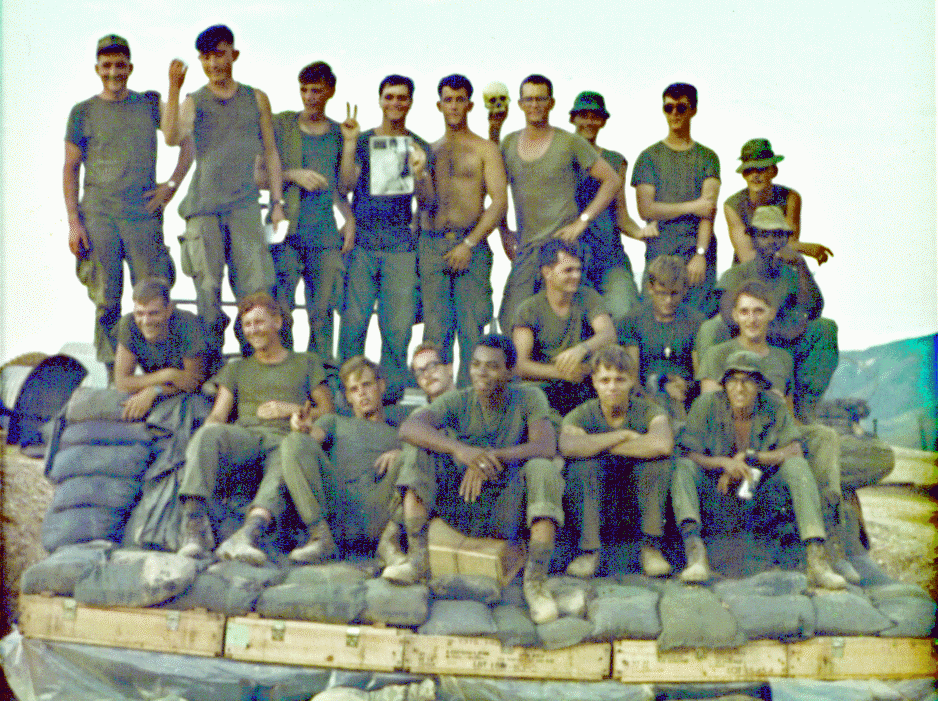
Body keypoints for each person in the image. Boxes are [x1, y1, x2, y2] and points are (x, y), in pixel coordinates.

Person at [383, 335, 565, 625]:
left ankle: (536, 583)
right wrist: (462, 451)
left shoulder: (529, 398)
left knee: (543, 469)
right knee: (417, 451)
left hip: (507, 511)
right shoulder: (459, 400)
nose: (481, 372)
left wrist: (490, 457)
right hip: (462, 504)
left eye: (492, 366)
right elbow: (409, 427)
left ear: (510, 372)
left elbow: (545, 445)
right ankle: (417, 559)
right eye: (476, 364)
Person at [697, 279, 859, 582]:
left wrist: (783, 427)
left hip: (771, 439)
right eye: (745, 311)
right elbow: (709, 410)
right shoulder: (718, 354)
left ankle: (830, 544)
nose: (752, 319)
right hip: (734, 438)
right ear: (735, 315)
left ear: (771, 313)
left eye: (759, 311)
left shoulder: (782, 358)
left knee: (824, 437)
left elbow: (789, 415)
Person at [64, 34, 193, 377]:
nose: (113, 72)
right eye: (106, 65)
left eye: (120, 65)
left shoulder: (148, 103)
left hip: (142, 216)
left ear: (130, 68)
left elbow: (182, 141)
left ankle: (162, 372)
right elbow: (70, 167)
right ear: (97, 68)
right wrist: (74, 223)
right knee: (106, 298)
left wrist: (171, 186)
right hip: (98, 216)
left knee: (153, 296)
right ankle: (114, 375)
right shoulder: (82, 112)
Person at [176, 292, 333, 564]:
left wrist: (289, 408)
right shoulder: (237, 368)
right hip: (246, 436)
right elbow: (218, 414)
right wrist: (205, 439)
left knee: (285, 457)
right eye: (247, 324)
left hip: (285, 437)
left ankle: (249, 534)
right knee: (207, 434)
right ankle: (195, 529)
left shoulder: (305, 362)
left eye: (259, 322)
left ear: (277, 322)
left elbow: (328, 412)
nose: (253, 330)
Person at [672, 351, 846, 589]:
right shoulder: (707, 405)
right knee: (683, 468)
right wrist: (724, 463)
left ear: (760, 385)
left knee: (796, 466)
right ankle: (695, 555)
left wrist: (751, 457)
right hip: (715, 492)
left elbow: (794, 449)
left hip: (760, 493)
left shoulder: (773, 406)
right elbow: (687, 452)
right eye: (733, 380)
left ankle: (816, 558)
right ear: (724, 384)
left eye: (748, 381)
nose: (739, 388)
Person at [163, 24, 283, 356]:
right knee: (208, 294)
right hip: (204, 209)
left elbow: (271, 152)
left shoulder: (256, 98)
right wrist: (174, 88)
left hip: (245, 207)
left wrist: (277, 202)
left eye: (219, 54)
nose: (214, 63)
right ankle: (211, 367)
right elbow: (171, 138)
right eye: (206, 57)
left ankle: (256, 364)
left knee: (257, 292)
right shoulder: (194, 100)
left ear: (234, 55)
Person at [497, 74, 621, 332]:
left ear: (551, 103)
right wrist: (504, 231)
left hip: (564, 247)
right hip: (527, 248)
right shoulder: (509, 143)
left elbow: (611, 180)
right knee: (511, 319)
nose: (534, 105)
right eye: (528, 99)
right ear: (520, 104)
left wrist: (582, 221)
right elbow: (495, 187)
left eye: (540, 99)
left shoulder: (569, 142)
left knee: (568, 322)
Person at [337, 75, 434, 403]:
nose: (395, 103)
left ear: (411, 102)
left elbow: (428, 201)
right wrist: (350, 144)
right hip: (362, 241)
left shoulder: (419, 145)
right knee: (354, 322)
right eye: (389, 96)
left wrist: (420, 171)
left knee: (398, 328)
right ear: (380, 100)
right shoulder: (363, 140)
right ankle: (348, 396)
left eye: (402, 97)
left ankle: (389, 398)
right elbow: (345, 186)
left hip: (399, 244)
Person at [701, 205, 838, 422]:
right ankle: (713, 404)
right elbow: (729, 316)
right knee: (711, 328)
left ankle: (804, 407)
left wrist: (801, 264)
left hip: (782, 346)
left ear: (785, 239)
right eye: (764, 235)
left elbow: (814, 309)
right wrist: (780, 332)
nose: (771, 241)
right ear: (753, 239)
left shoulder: (792, 273)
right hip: (744, 344)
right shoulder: (737, 274)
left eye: (777, 235)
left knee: (825, 327)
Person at [261, 61, 357, 359]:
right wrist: (292, 175)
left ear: (330, 91)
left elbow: (344, 187)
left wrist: (350, 143)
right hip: (285, 231)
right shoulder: (282, 125)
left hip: (324, 234)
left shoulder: (338, 133)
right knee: (280, 308)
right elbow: (257, 176)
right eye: (304, 90)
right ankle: (282, 371)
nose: (309, 97)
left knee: (323, 312)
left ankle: (321, 374)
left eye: (316, 90)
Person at [277, 357, 408, 564]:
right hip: (339, 508)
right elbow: (313, 435)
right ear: (347, 396)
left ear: (381, 386)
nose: (362, 393)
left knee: (416, 456)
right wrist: (303, 428)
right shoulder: (336, 422)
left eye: (366, 385)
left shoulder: (402, 431)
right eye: (354, 389)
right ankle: (319, 537)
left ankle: (390, 542)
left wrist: (402, 455)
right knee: (294, 441)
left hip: (380, 510)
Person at [421, 75, 508, 387]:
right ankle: (438, 403)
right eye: (448, 100)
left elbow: (499, 201)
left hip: (471, 243)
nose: (454, 106)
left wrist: (469, 243)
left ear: (470, 105)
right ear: (439, 105)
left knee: (472, 329)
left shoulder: (485, 149)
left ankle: (472, 401)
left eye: (460, 100)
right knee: (435, 329)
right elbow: (423, 202)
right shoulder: (429, 150)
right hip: (432, 244)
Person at [559, 345, 673, 578]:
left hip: (637, 497)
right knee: (582, 467)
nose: (612, 387)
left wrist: (596, 445)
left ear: (631, 381)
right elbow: (568, 447)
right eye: (605, 380)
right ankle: (589, 551)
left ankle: (650, 547)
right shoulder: (582, 413)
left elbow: (661, 445)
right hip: (598, 498)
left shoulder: (649, 411)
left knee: (657, 464)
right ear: (594, 382)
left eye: (620, 380)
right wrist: (623, 436)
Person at [631, 83, 720, 316]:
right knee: (653, 317)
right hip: (661, 249)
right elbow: (646, 209)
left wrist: (700, 254)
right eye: (668, 108)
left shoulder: (707, 157)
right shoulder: (649, 157)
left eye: (681, 108)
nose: (674, 114)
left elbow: (708, 211)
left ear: (693, 110)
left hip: (696, 251)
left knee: (697, 319)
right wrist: (693, 206)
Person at [568, 91, 653, 322]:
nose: (589, 122)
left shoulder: (615, 161)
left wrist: (641, 233)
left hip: (608, 256)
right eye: (583, 115)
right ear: (573, 118)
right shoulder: (561, 156)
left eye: (595, 116)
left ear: (603, 121)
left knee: (624, 310)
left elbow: (621, 215)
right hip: (570, 255)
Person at [513, 239, 615, 415]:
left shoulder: (587, 297)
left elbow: (608, 334)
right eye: (568, 270)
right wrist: (561, 373)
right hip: (545, 386)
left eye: (578, 269)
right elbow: (520, 365)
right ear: (547, 272)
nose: (576, 276)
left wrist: (581, 350)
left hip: (583, 383)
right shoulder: (529, 309)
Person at [617, 254, 703, 421]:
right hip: (645, 396)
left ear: (685, 290)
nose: (668, 300)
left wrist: (687, 386)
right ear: (650, 288)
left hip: (685, 397)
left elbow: (700, 374)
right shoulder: (633, 320)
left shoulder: (696, 321)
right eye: (662, 293)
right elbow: (632, 376)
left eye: (674, 294)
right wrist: (653, 397)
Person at [724, 138, 832, 266]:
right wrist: (804, 247)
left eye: (761, 169)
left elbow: (789, 243)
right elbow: (746, 256)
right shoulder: (733, 205)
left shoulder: (790, 198)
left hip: (783, 266)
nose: (755, 175)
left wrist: (795, 247)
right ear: (743, 175)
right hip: (747, 271)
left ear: (774, 171)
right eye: (749, 170)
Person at [114, 278, 209, 421]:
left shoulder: (187, 324)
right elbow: (122, 383)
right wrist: (168, 375)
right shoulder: (129, 324)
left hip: (200, 389)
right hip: (165, 385)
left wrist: (156, 390)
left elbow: (193, 383)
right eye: (140, 313)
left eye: (153, 313)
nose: (146, 321)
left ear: (169, 310)